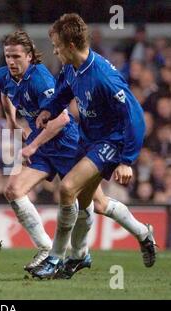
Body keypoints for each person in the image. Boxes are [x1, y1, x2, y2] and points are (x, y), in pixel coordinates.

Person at [33, 14, 156, 279]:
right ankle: (142, 234)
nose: (53, 50)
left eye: (56, 45)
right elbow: (63, 93)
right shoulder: (71, 68)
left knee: (66, 189)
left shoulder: (103, 76)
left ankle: (56, 258)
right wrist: (48, 110)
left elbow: (134, 116)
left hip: (111, 141)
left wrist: (126, 160)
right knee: (90, 202)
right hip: (88, 139)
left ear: (70, 46)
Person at [0, 30, 79, 271]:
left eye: (16, 57)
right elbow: (5, 93)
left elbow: (62, 118)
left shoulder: (41, 79)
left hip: (66, 143)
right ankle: (46, 249)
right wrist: (12, 121)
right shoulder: (5, 74)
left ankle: (139, 232)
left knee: (97, 203)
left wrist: (33, 145)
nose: (11, 62)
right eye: (7, 56)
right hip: (42, 144)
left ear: (30, 56)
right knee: (13, 190)